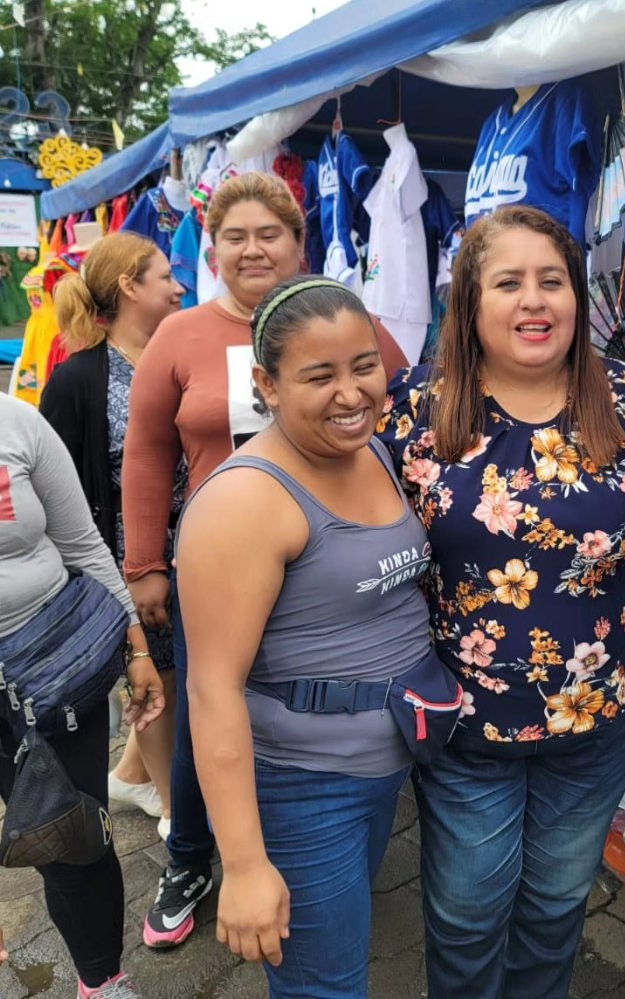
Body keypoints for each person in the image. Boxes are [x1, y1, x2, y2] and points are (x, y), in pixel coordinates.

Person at [378, 204, 625, 999]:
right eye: (508, 282)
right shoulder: (417, 406)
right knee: (466, 916)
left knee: (552, 913)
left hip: (594, 726)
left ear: (579, 298)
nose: (533, 301)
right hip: (464, 732)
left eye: (552, 281)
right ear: (471, 303)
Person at [121, 172, 408, 949]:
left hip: (328, 564)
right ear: (211, 247)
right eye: (236, 236)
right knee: (210, 709)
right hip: (222, 564)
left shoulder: (354, 329)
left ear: (297, 243)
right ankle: (191, 858)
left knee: (275, 719)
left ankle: (316, 863)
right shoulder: (180, 337)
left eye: (269, 234)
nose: (253, 249)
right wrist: (144, 562)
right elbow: (147, 454)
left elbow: (401, 413)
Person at [177, 277, 434, 997]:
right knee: (326, 988)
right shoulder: (244, 501)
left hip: (390, 764)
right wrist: (247, 864)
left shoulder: (372, 450)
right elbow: (211, 688)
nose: (351, 393)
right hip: (305, 788)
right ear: (267, 383)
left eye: (363, 365)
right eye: (319, 376)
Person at [0, 392, 165, 998]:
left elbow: (83, 545)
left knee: (74, 841)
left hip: (52, 671)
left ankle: (101, 982)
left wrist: (137, 650)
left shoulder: (14, 421)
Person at [40, 231, 186, 841]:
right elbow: (57, 492)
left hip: (193, 549)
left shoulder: (173, 357)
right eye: (164, 276)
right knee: (157, 680)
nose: (179, 286)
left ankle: (129, 773)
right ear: (129, 286)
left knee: (183, 677)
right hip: (130, 563)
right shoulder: (78, 380)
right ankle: (183, 820)